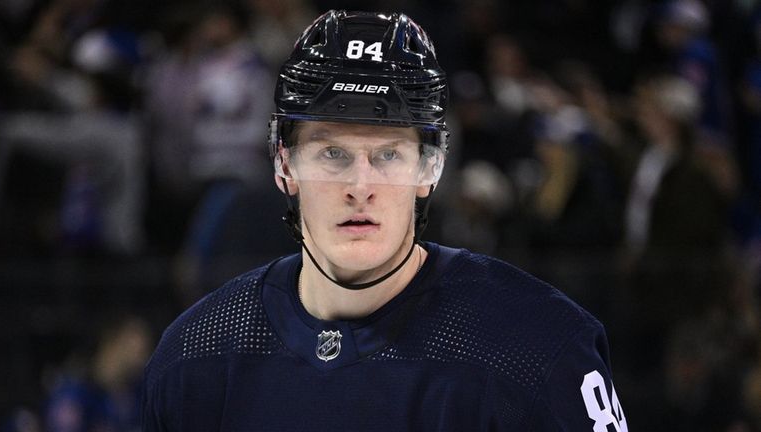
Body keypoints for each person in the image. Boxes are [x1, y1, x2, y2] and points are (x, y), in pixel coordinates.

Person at [142, 10, 627, 431]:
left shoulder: (539, 347)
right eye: (333, 152)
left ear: (430, 167)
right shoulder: (198, 354)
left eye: (389, 154)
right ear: (284, 165)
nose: (360, 185)